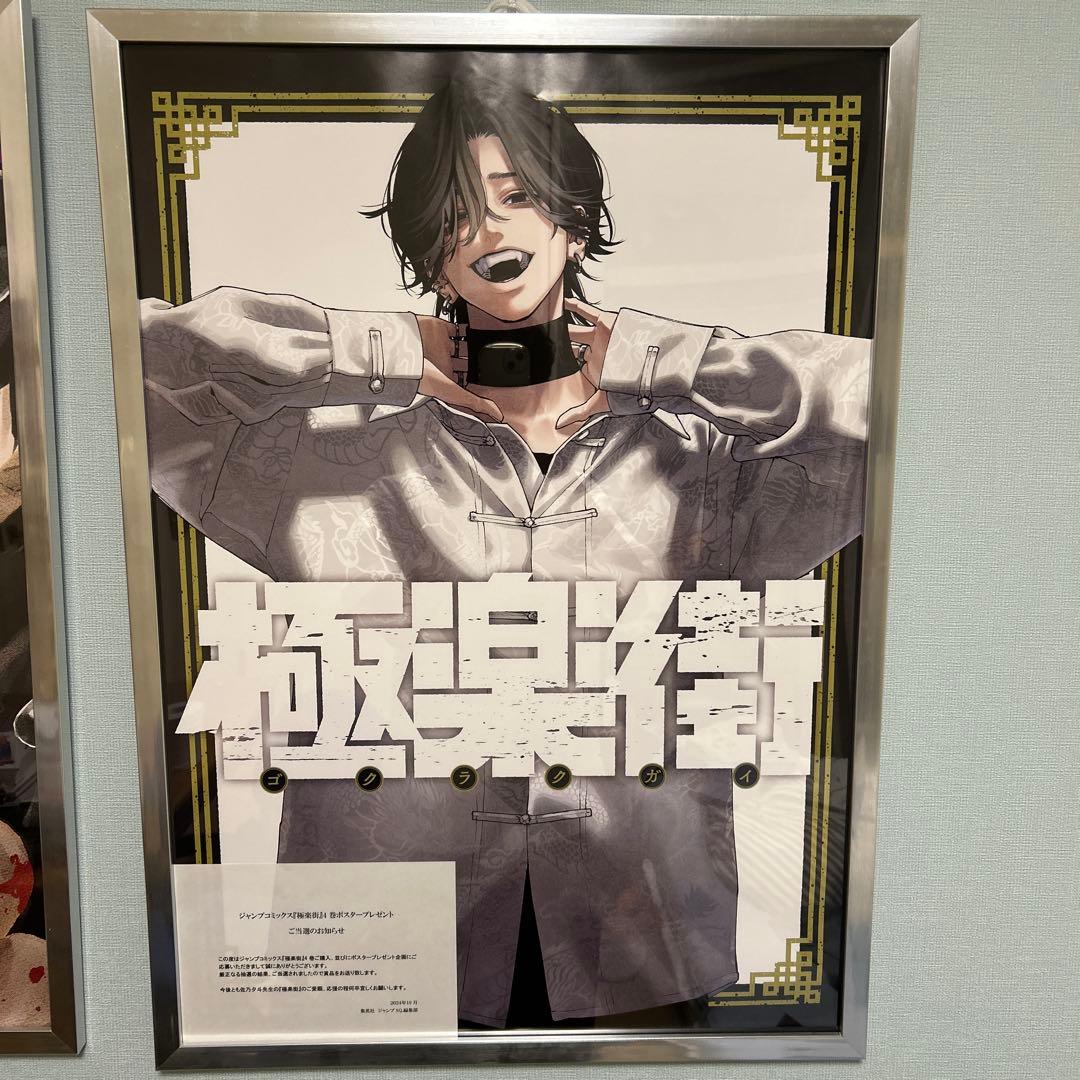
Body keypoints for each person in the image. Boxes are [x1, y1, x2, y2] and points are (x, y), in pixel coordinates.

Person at [139, 78, 870, 1027]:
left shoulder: (704, 469)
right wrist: (383, 345)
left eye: (519, 195)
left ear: (575, 222)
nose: (490, 228)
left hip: (639, 940)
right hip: (384, 950)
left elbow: (908, 406)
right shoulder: (319, 461)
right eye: (456, 211)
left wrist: (669, 359)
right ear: (430, 251)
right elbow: (117, 367)